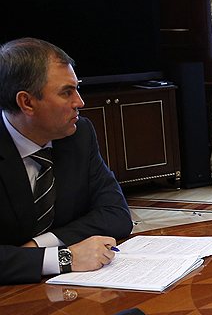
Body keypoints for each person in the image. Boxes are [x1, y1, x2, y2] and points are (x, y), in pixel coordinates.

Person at [0, 38, 132, 285]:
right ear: (26, 102)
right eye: (66, 92)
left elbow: (116, 215)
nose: (79, 102)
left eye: (77, 88)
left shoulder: (79, 135)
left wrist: (41, 244)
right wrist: (63, 258)